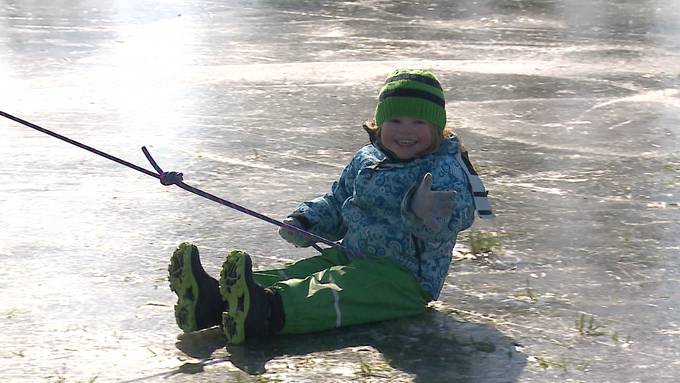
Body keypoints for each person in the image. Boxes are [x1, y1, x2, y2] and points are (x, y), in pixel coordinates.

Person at [167, 69, 493, 344]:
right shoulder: (367, 160)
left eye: (418, 123)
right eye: (395, 119)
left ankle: (267, 312)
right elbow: (338, 202)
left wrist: (426, 212)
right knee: (300, 273)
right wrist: (308, 220)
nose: (405, 130)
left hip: (404, 280)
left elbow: (460, 213)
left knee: (333, 290)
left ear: (437, 128)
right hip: (352, 254)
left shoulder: (445, 169)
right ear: (380, 123)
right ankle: (212, 300)